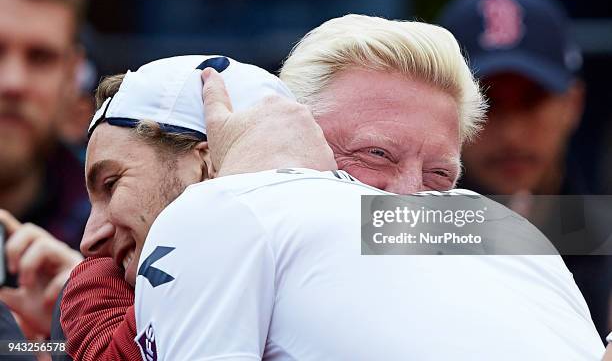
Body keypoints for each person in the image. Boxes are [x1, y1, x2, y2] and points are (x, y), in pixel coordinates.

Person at [64, 36, 600, 360]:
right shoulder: (500, 226)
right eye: (376, 156)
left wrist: (85, 290)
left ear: (211, 158)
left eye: (441, 177)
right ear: (297, 132)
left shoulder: (222, 208)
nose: (406, 203)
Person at [438, 0, 612, 341]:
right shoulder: (391, 225)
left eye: (532, 101)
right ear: (443, 112)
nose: (512, 134)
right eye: (486, 102)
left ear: (573, 105)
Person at [0, 0, 89, 339]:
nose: (13, 82)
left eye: (41, 58)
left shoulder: (116, 248)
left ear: (72, 76)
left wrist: (85, 328)